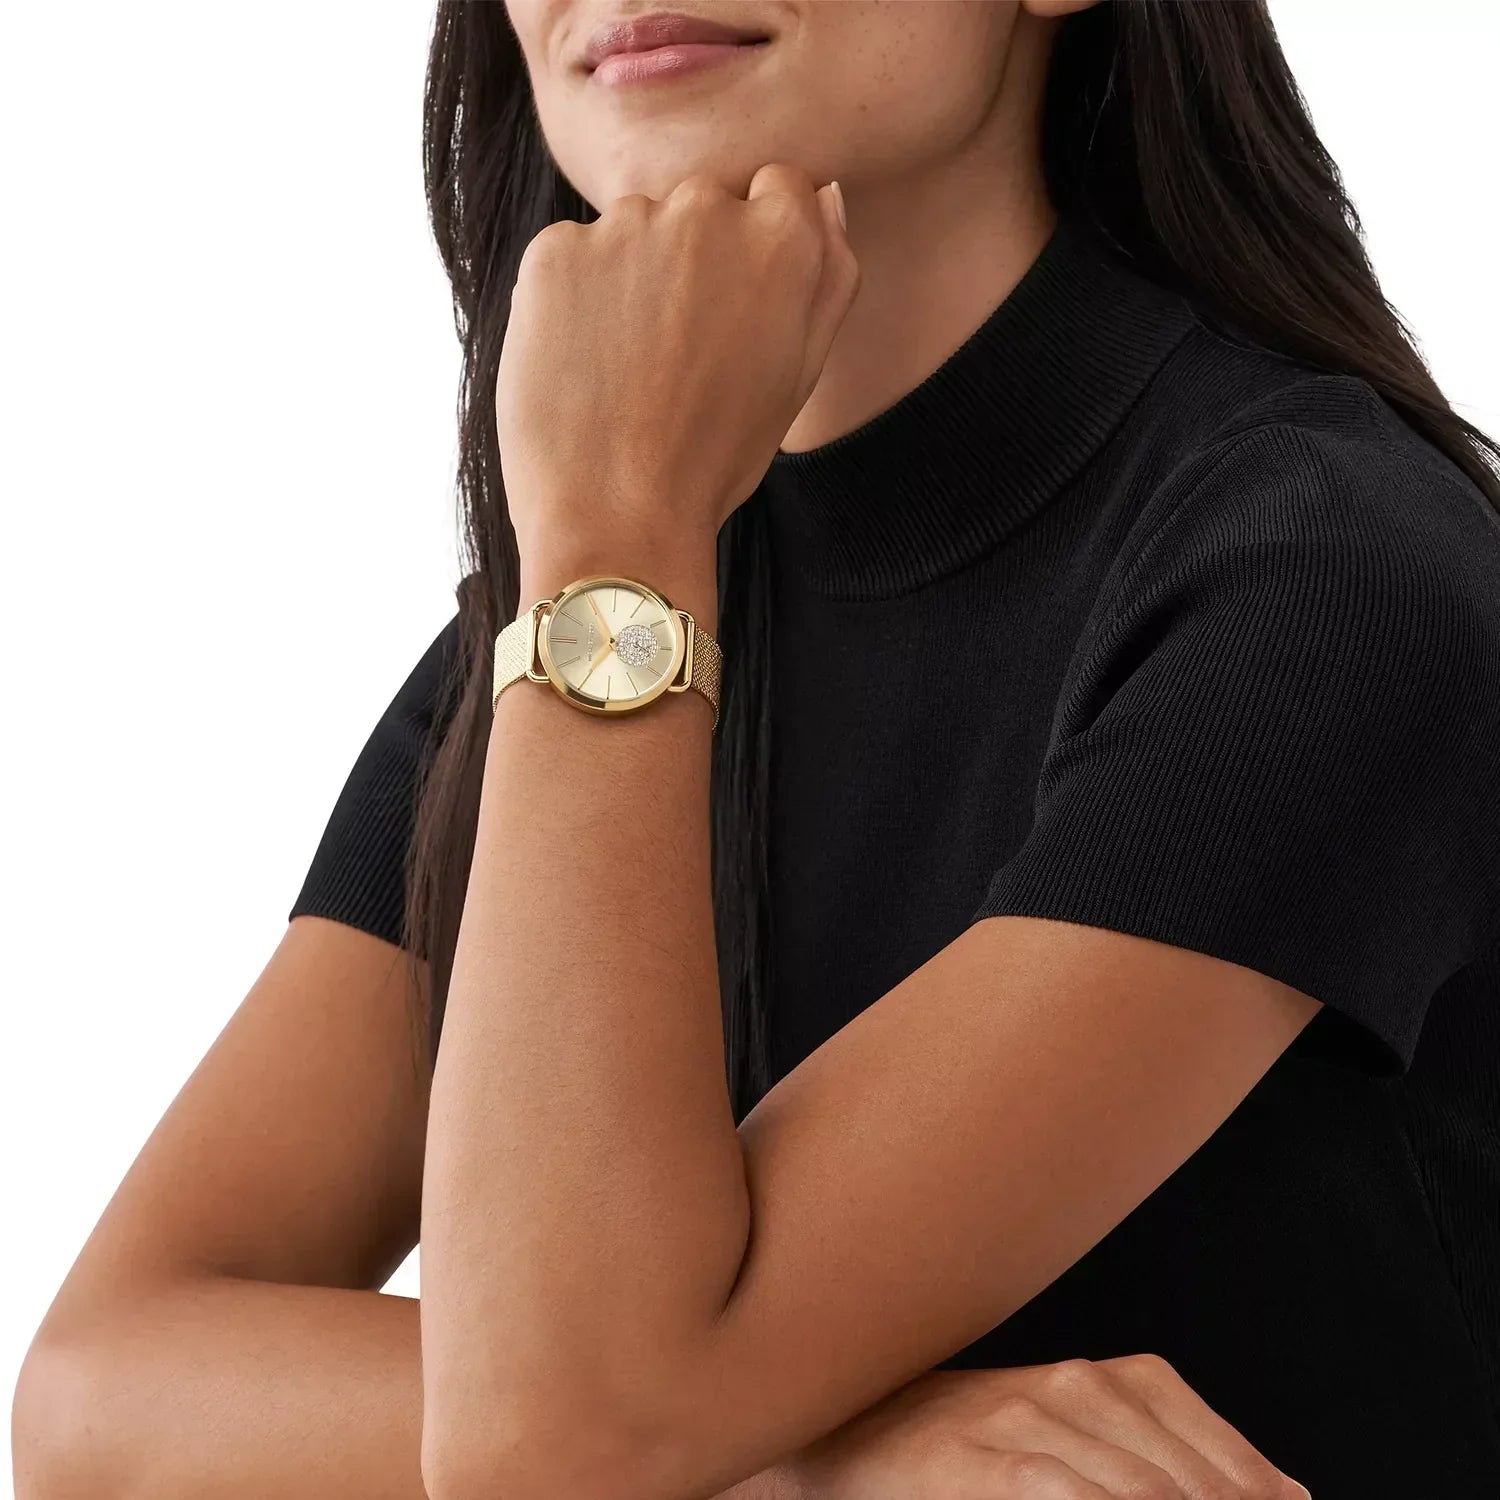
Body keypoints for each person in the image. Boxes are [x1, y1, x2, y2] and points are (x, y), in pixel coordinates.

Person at [15, 3, 1500, 1498]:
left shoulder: (1328, 576)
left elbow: (559, 1429)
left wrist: (618, 535)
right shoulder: (580, 620)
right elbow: (94, 1404)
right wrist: (840, 1466)